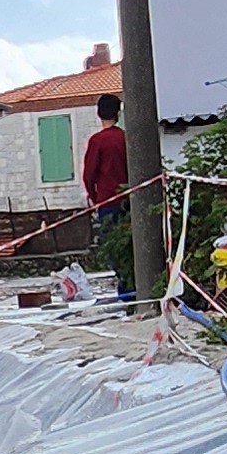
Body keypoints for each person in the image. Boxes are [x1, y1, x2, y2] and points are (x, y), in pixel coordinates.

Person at [80, 90, 137, 298]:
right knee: (130, 247)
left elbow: (88, 175)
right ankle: (133, 289)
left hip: (107, 201)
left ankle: (126, 291)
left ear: (98, 113)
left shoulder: (97, 141)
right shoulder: (125, 138)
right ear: (118, 113)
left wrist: (95, 199)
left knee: (113, 248)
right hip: (130, 199)